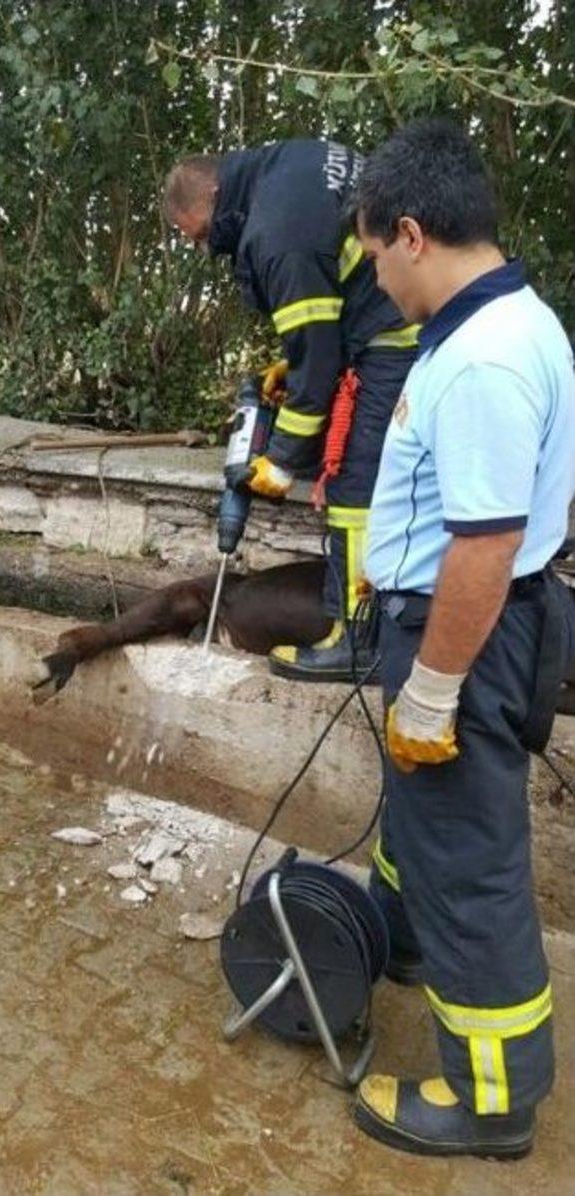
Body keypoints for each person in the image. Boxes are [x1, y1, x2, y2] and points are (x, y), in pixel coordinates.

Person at [350, 117, 575, 1159]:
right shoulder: (495, 327)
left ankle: (490, 1102)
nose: (375, 280)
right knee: (427, 825)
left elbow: (483, 547)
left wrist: (433, 686)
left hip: (463, 640)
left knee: (470, 861)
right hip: (453, 630)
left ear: (408, 232)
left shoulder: (484, 357)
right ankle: (397, 942)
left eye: (372, 258)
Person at [164, 139, 419, 681]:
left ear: (213, 194)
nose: (208, 248)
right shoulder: (288, 164)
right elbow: (326, 312)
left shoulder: (274, 237)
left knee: (354, 488)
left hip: (396, 340)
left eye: (203, 234)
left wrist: (279, 461)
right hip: (400, 322)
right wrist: (294, 363)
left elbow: (320, 362)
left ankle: (357, 639)